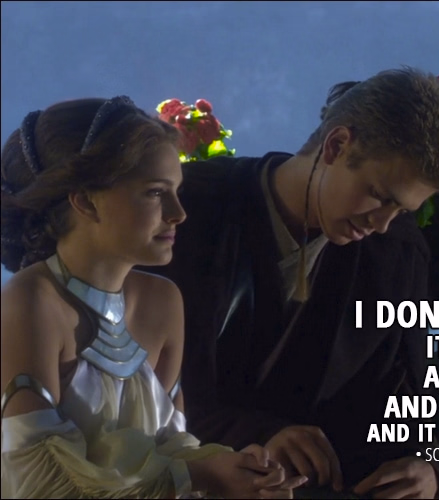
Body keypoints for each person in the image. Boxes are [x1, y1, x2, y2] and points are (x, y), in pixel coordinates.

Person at [149, 67, 439, 499]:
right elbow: (132, 386)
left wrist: (429, 467)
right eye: (380, 196)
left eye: (402, 211)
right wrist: (257, 435)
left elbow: (410, 390)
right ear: (336, 146)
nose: (381, 223)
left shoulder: (396, 251)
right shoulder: (191, 210)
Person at [0, 97, 306, 498]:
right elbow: (37, 482)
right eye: (155, 193)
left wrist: (237, 472)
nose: (179, 212)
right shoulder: (31, 301)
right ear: (85, 199)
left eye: (176, 191)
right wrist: (198, 476)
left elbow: (170, 446)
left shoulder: (162, 301)